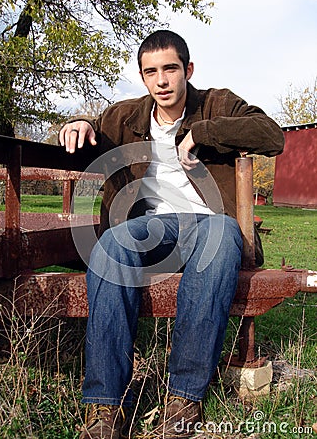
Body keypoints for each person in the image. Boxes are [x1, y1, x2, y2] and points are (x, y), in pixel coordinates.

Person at [59, 30, 284, 439]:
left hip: (210, 223)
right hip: (150, 229)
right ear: (143, 77)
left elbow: (272, 135)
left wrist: (203, 134)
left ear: (188, 70)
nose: (161, 80)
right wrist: (76, 122)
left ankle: (183, 398)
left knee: (217, 235)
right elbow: (92, 128)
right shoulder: (124, 116)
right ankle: (106, 409)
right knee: (110, 245)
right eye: (151, 72)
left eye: (170, 69)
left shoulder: (217, 103)